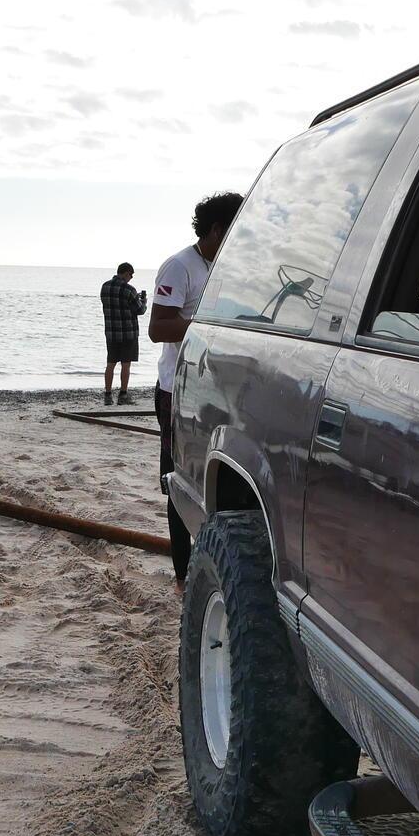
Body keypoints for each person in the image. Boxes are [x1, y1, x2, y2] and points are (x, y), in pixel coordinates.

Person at [149, 191, 242, 583]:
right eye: (234, 231)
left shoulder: (226, 266)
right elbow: (158, 329)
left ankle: (209, 560)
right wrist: (208, 325)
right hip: (177, 390)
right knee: (177, 477)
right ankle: (182, 574)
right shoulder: (179, 267)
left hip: (215, 389)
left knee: (210, 477)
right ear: (217, 230)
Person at [100, 261, 146, 406]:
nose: (131, 277)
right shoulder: (129, 290)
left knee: (110, 364)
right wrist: (143, 302)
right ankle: (123, 395)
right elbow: (139, 311)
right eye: (131, 274)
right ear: (126, 272)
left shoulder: (105, 287)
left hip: (111, 332)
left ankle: (108, 395)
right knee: (126, 365)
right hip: (128, 333)